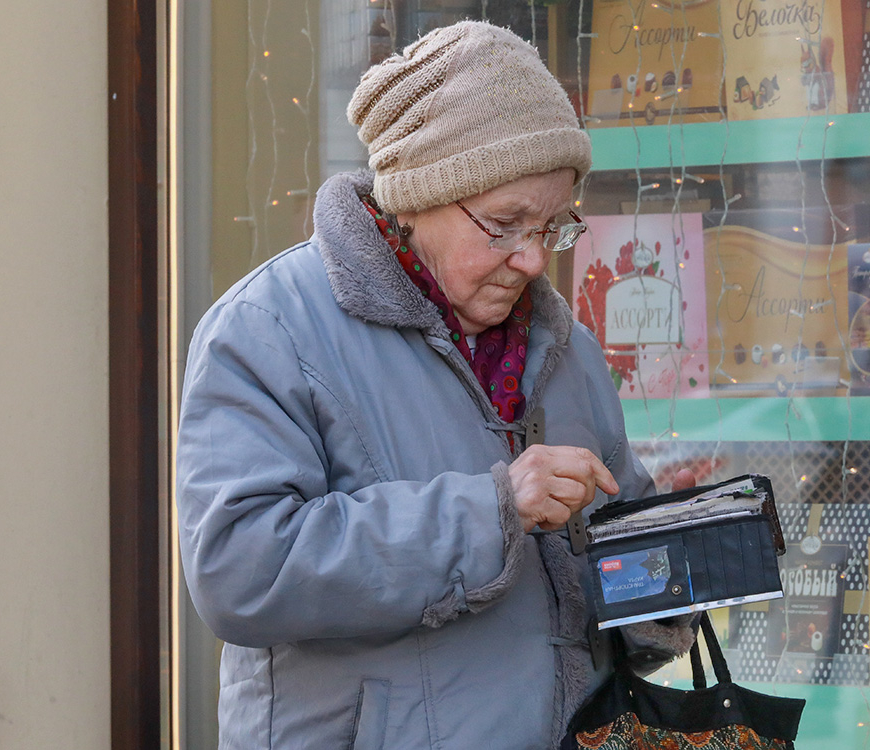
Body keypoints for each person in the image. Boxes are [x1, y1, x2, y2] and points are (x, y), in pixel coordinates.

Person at [177, 20, 697, 749]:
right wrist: (490, 511)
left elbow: (603, 552)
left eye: (551, 227)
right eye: (504, 223)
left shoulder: (564, 347)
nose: (530, 260)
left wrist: (679, 566)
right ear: (417, 195)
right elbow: (240, 570)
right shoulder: (269, 327)